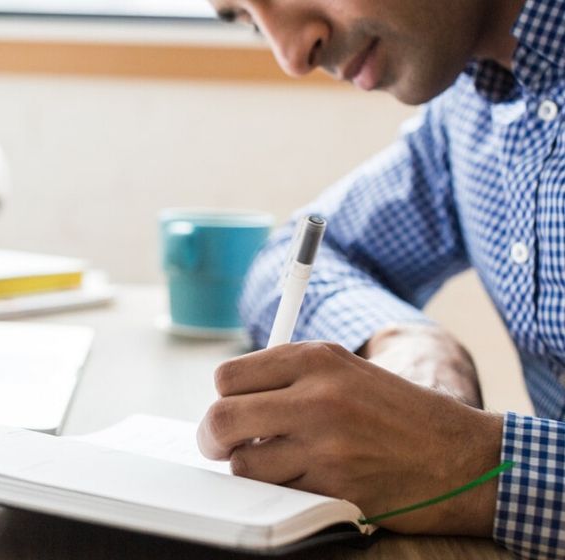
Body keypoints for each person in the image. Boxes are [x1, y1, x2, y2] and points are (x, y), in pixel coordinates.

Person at [196, 0, 563, 557]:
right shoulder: (469, 113)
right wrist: (409, 340)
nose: (292, 55)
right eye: (246, 19)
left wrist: (468, 462)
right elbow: (287, 259)